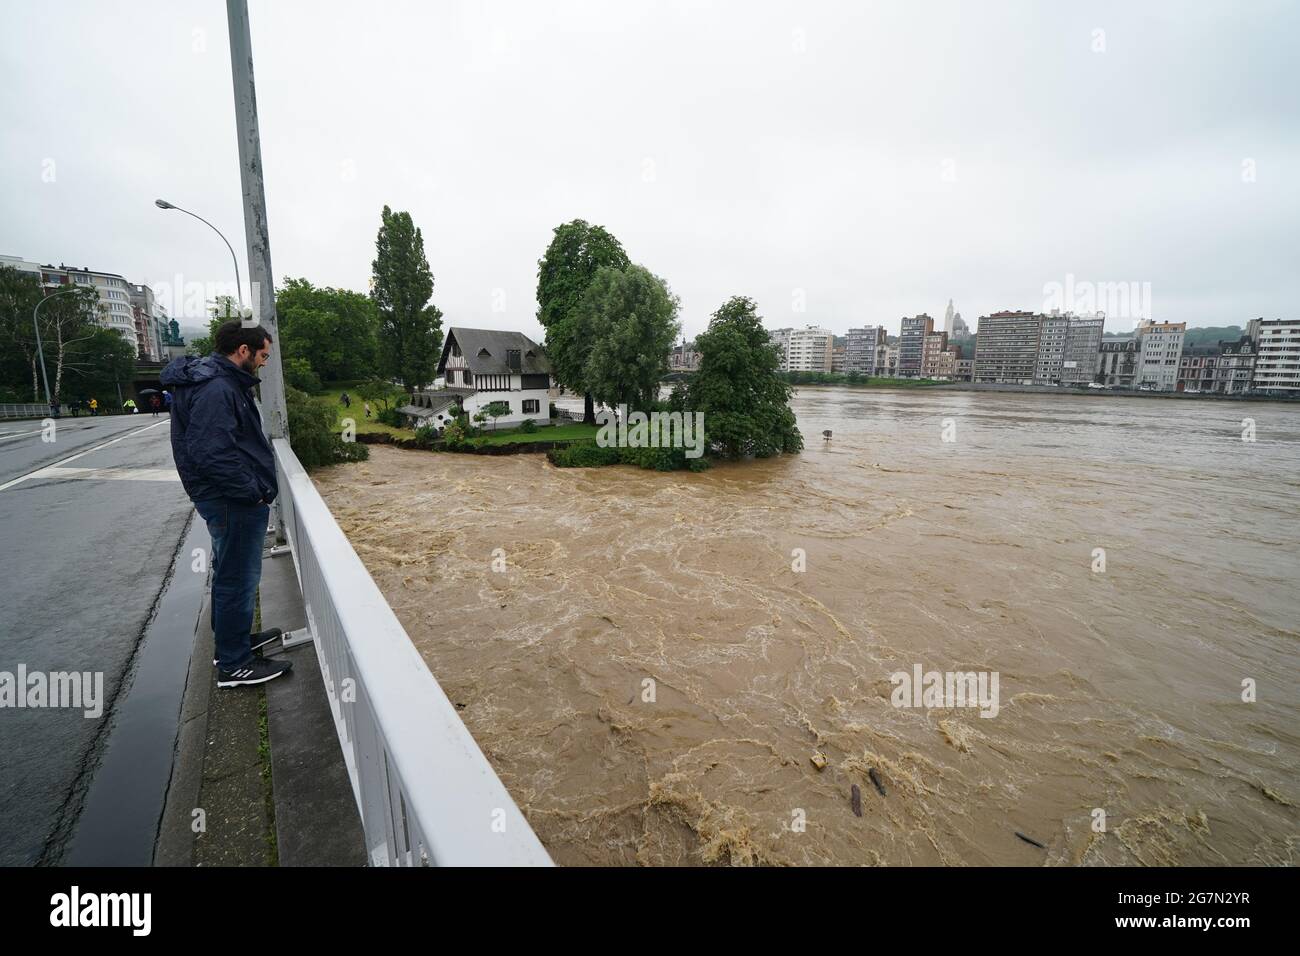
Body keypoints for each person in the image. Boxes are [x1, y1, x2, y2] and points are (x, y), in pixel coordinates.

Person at [161, 321, 292, 688]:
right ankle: (235, 665)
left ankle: (232, 644)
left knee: (229, 573)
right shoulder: (218, 387)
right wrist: (253, 491)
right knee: (237, 578)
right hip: (232, 500)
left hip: (226, 498)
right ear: (244, 351)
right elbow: (212, 453)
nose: (265, 362)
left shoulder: (216, 381)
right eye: (264, 354)